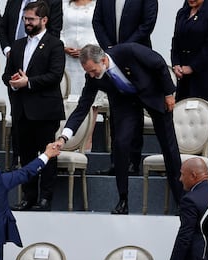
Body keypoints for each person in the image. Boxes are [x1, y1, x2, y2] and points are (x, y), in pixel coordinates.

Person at [54, 44, 182, 214]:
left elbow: (158, 63)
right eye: (88, 72)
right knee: (120, 145)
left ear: (104, 60)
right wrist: (64, 136)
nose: (91, 75)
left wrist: (168, 93)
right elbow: (82, 108)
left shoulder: (128, 52)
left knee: (168, 147)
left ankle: (182, 200)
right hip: (125, 103)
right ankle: (123, 200)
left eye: (93, 70)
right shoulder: (93, 76)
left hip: (152, 94)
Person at [2, 0, 65, 211]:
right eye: (25, 19)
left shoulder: (55, 44)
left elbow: (55, 76)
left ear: (44, 20)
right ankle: (29, 197)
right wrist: (13, 81)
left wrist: (28, 82)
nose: (27, 23)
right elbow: (5, 74)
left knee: (47, 154)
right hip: (22, 110)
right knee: (26, 155)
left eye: (31, 19)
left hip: (45, 110)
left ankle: (45, 198)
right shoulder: (18, 45)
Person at [92, 0, 158, 175]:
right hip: (111, 59)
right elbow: (97, 21)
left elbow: (147, 24)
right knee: (115, 112)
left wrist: (123, 48)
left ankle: (133, 162)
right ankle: (117, 162)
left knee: (134, 112)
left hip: (136, 59)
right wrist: (109, 48)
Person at [171, 0, 208, 159]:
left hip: (207, 75)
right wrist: (176, 63)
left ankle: (207, 167)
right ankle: (185, 169)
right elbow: (176, 41)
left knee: (207, 120)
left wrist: (193, 67)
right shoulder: (182, 13)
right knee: (185, 118)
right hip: (185, 77)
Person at [60, 0, 106, 152]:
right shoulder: (65, 5)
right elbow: (59, 29)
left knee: (90, 102)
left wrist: (88, 50)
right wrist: (63, 46)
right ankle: (65, 143)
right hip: (67, 59)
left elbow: (101, 30)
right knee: (67, 100)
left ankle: (86, 145)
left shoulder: (98, 5)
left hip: (90, 59)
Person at [166, 157, 208, 260]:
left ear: (193, 175)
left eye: (182, 174)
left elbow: (185, 236)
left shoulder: (190, 200)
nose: (180, 179)